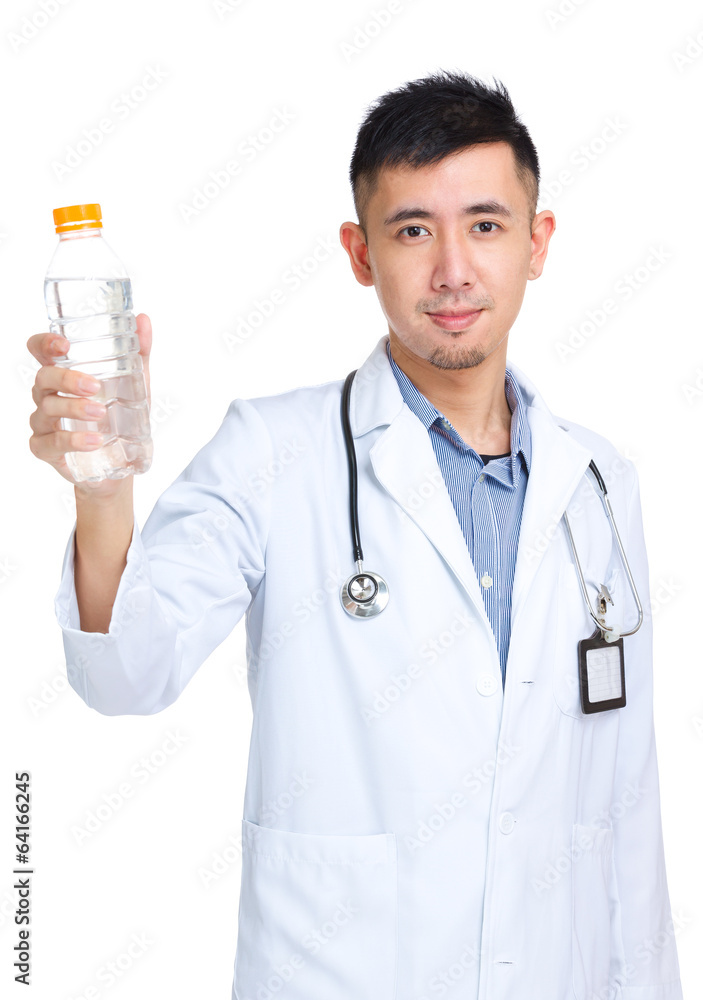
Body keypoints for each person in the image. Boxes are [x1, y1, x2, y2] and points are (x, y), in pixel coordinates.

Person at [28, 70, 683, 1000]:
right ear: (359, 252)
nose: (451, 270)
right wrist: (102, 487)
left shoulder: (599, 483)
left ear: (536, 243)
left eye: (485, 225)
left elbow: (627, 808)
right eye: (412, 230)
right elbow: (125, 675)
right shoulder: (271, 451)